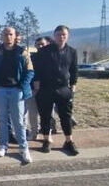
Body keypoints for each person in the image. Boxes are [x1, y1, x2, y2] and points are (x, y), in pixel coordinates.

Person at [0, 27, 34, 163]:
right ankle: (3, 146)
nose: (8, 36)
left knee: (18, 121)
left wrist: (23, 87)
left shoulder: (22, 52)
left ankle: (24, 148)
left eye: (10, 34)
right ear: (2, 36)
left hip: (16, 91)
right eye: (5, 34)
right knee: (2, 120)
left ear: (14, 36)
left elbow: (30, 71)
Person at [33, 25, 79, 155]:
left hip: (64, 89)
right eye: (58, 34)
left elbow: (74, 70)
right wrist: (37, 86)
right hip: (45, 89)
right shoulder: (44, 51)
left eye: (64, 34)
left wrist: (73, 86)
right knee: (45, 116)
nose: (61, 37)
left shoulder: (72, 51)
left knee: (66, 116)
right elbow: (37, 70)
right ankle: (47, 140)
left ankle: (69, 141)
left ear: (67, 36)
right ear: (54, 36)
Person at [25, 37, 51, 141]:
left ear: (47, 44)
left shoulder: (52, 57)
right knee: (32, 113)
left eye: (42, 44)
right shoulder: (32, 57)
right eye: (38, 44)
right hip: (32, 89)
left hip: (47, 89)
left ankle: (47, 133)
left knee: (47, 114)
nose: (40, 46)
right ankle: (34, 132)